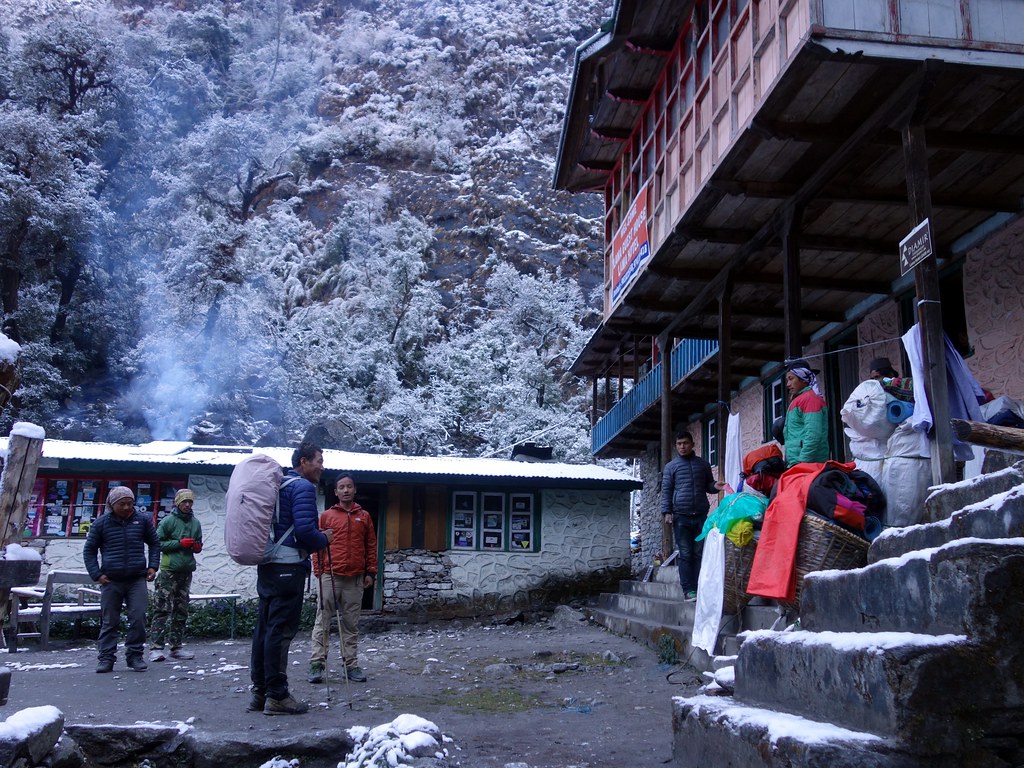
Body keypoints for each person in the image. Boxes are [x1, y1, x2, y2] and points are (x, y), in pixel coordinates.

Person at [249, 441, 333, 716]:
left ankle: (259, 692)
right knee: (280, 631)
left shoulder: (278, 486)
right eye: (319, 460)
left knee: (264, 628)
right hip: (289, 567)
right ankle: (278, 695)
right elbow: (307, 532)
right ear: (304, 462)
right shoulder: (303, 487)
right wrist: (324, 539)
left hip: (268, 565)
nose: (322, 466)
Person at [307, 474, 377, 685]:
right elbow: (317, 545)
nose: (345, 490)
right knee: (323, 620)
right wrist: (319, 572)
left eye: (349, 487)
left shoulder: (364, 516)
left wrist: (370, 572)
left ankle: (351, 665)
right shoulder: (326, 516)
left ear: (355, 490)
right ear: (335, 492)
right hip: (330, 576)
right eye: (341, 487)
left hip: (355, 578)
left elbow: (371, 546)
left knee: (351, 624)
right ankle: (317, 664)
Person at [82, 486, 159, 674]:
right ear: (112, 504)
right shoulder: (101, 524)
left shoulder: (142, 521)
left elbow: (155, 543)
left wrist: (153, 566)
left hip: (136, 579)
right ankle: (106, 658)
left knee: (139, 618)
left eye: (130, 504)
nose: (126, 507)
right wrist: (97, 574)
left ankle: (135, 656)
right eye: (122, 504)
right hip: (111, 581)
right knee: (110, 621)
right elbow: (89, 550)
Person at [660, 431, 725, 600]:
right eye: (679, 444)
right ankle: (688, 590)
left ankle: (700, 587)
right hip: (680, 516)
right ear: (676, 446)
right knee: (686, 553)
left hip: (700, 515)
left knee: (699, 553)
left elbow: (708, 486)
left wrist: (715, 486)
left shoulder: (703, 464)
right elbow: (666, 490)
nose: (683, 446)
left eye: (686, 443)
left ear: (693, 444)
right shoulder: (671, 467)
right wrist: (667, 512)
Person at [149, 489, 203, 662]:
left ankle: (176, 647)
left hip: (186, 571)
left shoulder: (195, 523)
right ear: (177, 503)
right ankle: (156, 648)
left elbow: (199, 543)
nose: (187, 505)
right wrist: (179, 543)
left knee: (181, 610)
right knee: (162, 609)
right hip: (168, 571)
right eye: (184, 502)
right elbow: (157, 543)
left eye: (190, 502)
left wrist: (196, 547)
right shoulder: (168, 521)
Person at [783, 358, 830, 467]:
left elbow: (813, 435)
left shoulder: (810, 399)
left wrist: (803, 462)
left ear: (803, 379)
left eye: (791, 379)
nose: (788, 384)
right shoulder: (799, 400)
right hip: (798, 464)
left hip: (809, 465)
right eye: (787, 380)